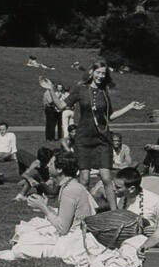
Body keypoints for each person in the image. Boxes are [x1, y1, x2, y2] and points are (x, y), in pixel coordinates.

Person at [46, 62, 146, 211]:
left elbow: (110, 116)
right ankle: (82, 212)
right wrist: (51, 90)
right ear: (92, 72)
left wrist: (129, 107)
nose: (100, 76)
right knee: (84, 179)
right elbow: (62, 106)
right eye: (98, 72)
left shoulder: (104, 91)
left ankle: (114, 213)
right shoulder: (80, 89)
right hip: (84, 139)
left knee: (106, 178)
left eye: (103, 73)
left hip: (103, 140)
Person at [0, 151, 99, 262]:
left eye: (51, 163)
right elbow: (69, 216)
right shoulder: (72, 185)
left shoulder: (70, 190)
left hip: (73, 240)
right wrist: (46, 206)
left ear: (59, 169)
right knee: (30, 228)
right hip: (76, 234)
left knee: (21, 247)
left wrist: (43, 208)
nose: (48, 165)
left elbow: (63, 229)